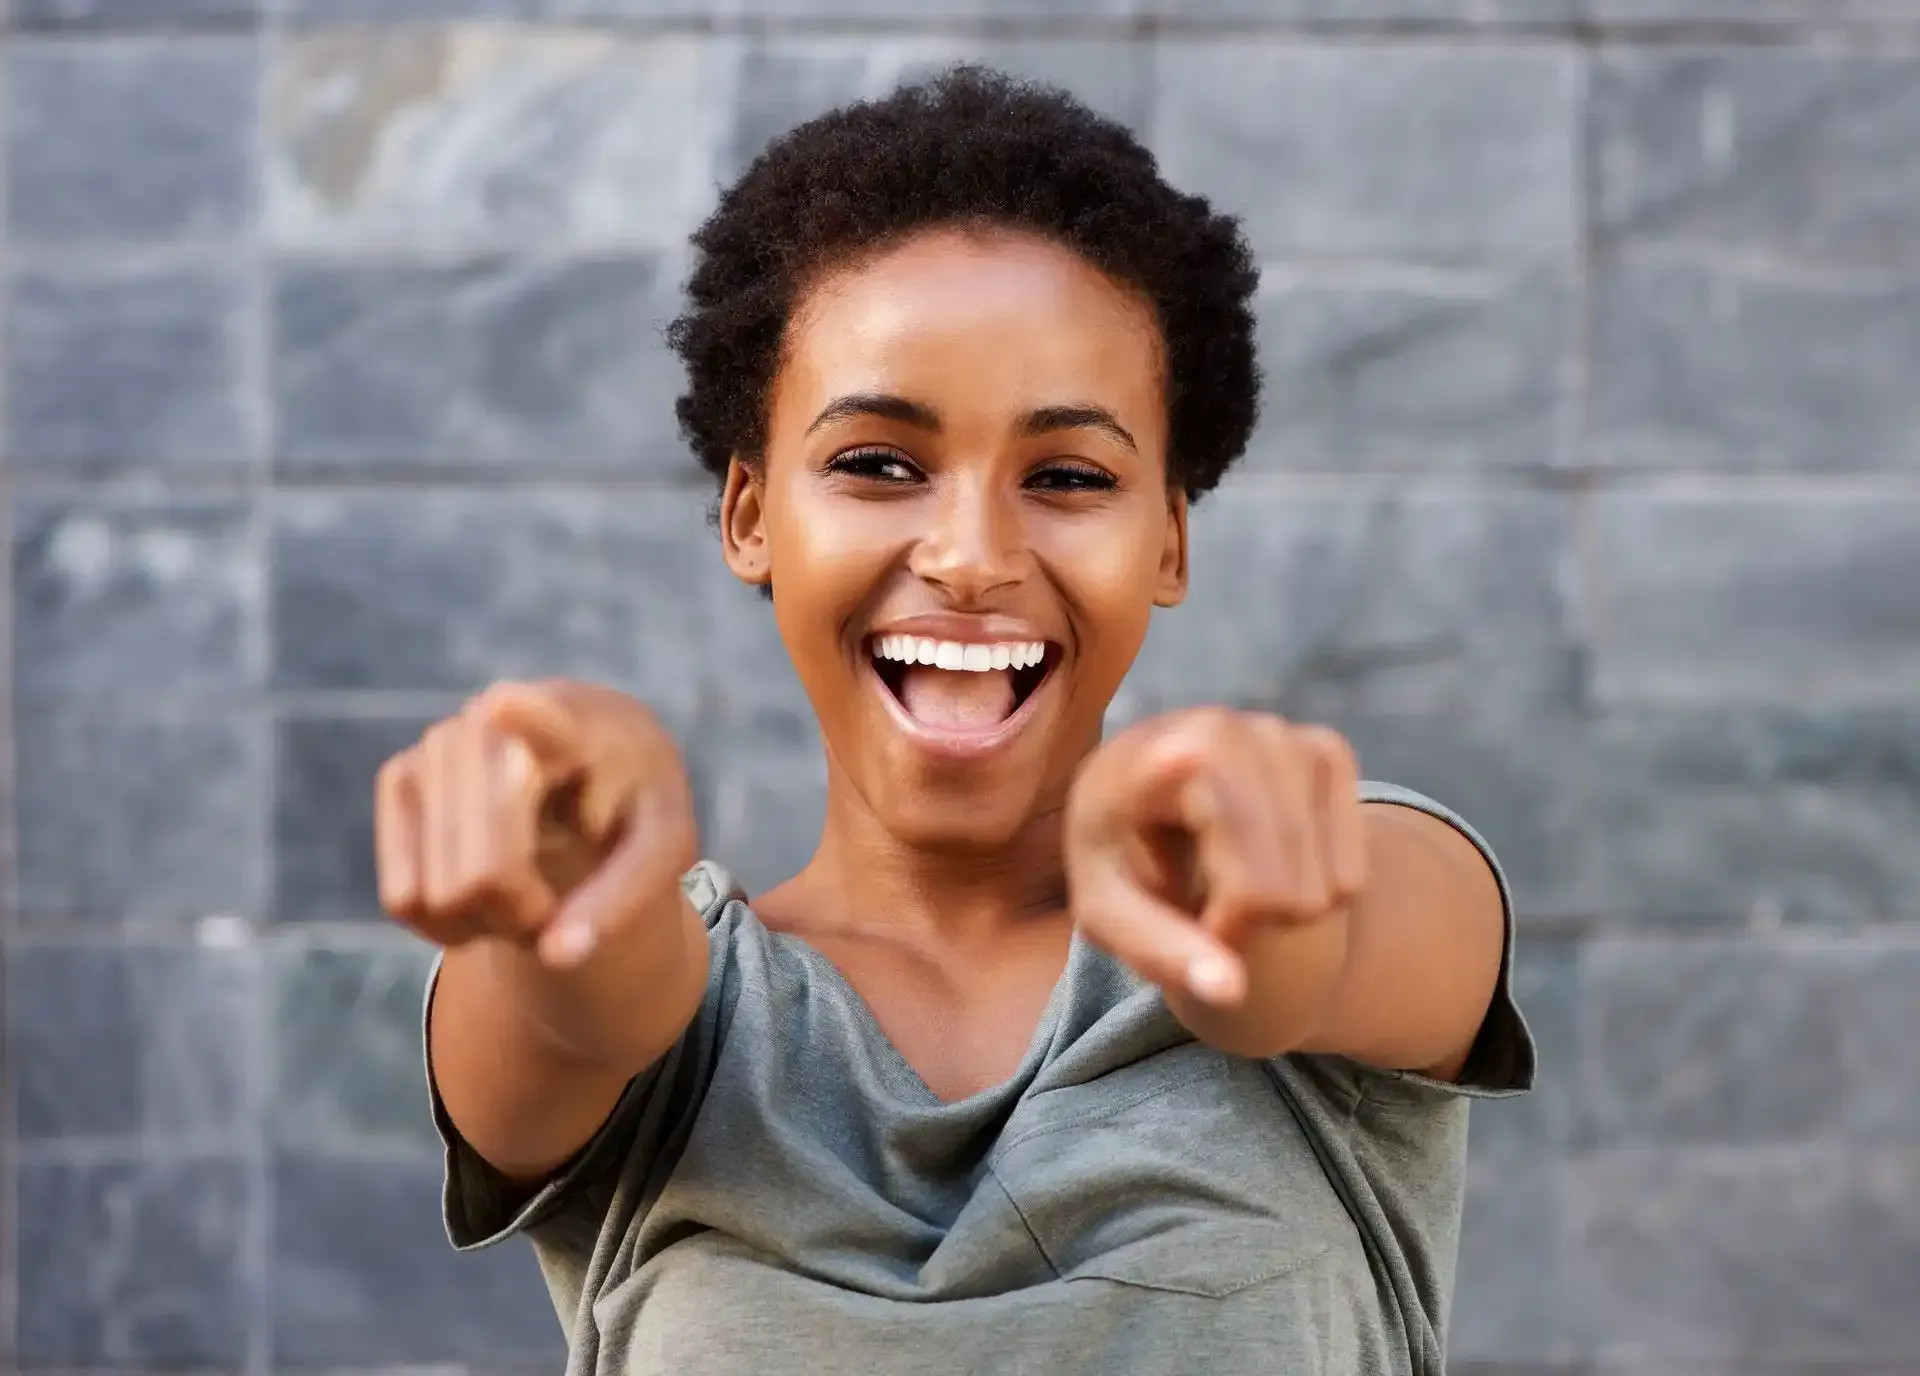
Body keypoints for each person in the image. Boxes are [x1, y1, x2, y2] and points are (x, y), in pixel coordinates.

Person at [373, 68, 1533, 1376]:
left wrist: (1277, 943)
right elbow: (579, 999)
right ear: (752, 515)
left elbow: (1362, 930)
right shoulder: (674, 1013)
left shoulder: (1337, 899)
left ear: (1167, 537)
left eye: (1067, 476)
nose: (972, 553)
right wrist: (572, 885)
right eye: (879, 463)